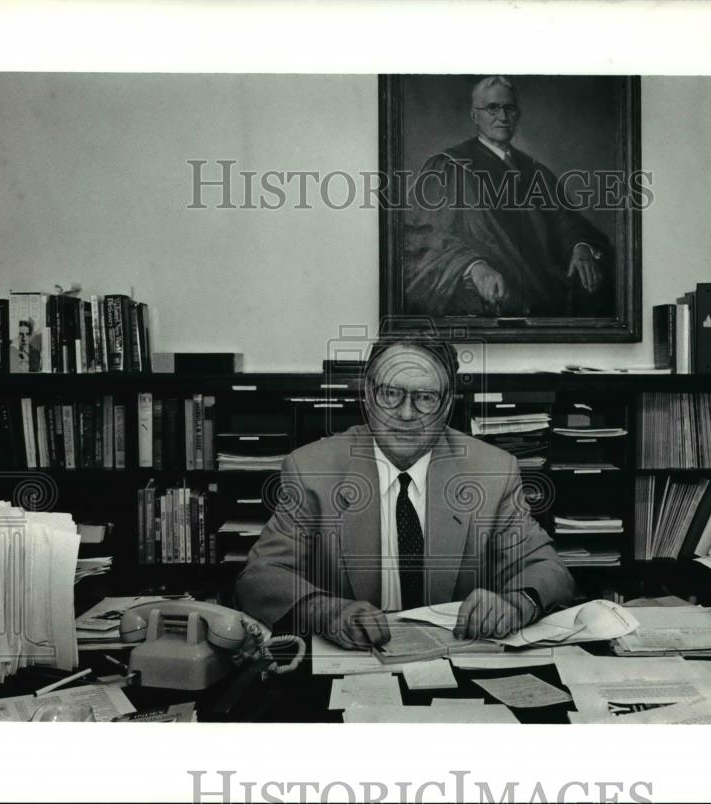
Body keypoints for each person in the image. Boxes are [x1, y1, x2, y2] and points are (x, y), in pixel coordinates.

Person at [235, 334, 576, 648]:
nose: (406, 414)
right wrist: (324, 611)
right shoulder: (311, 470)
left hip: (459, 659)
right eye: (391, 393)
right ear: (368, 395)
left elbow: (547, 568)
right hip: (352, 664)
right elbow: (260, 577)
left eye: (425, 397)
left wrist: (516, 603)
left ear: (445, 406)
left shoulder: (492, 471)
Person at [404, 75, 609, 318]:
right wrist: (473, 267)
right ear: (474, 116)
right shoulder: (450, 168)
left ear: (518, 115)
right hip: (495, 301)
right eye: (492, 108)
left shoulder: (535, 171)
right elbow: (425, 237)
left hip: (547, 299)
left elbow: (565, 222)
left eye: (509, 108)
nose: (502, 117)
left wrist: (580, 246)